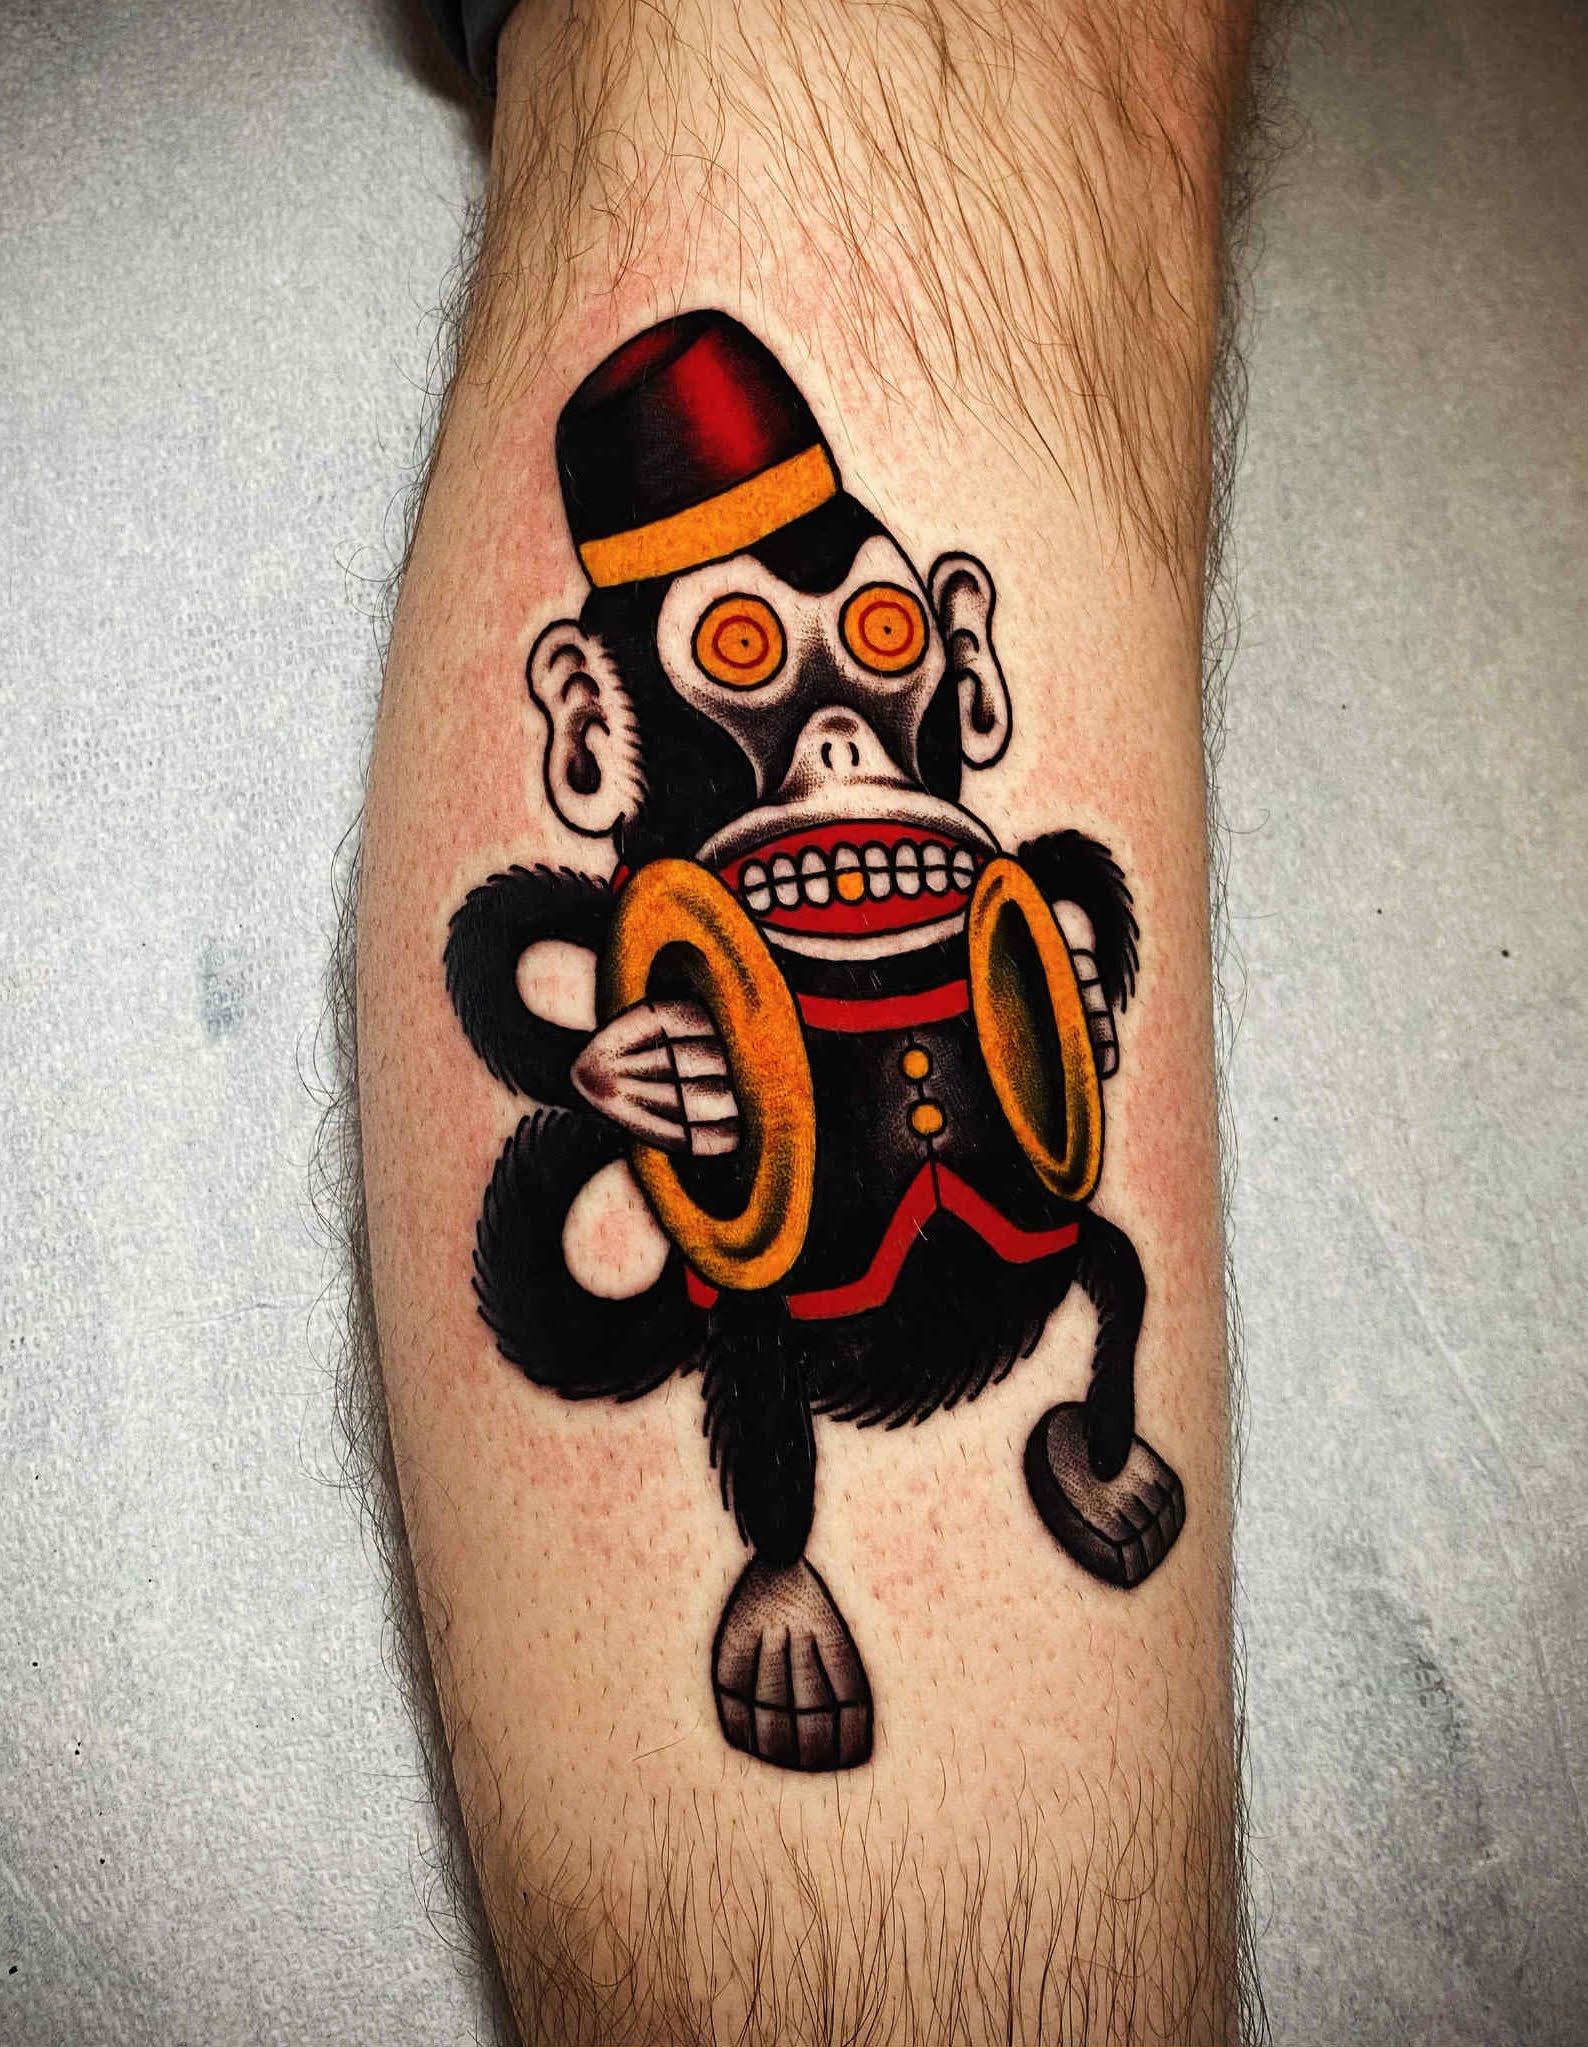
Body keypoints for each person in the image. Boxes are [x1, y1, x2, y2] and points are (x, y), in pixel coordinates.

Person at [351, 0, 1262, 2035]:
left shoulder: (968, 841)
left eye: (873, 642)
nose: (839, 726)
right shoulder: (651, 925)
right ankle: (778, 1562)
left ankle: (1087, 1434)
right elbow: (516, 964)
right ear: (597, 729)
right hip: (797, 1275)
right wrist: (611, 1073)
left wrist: (1070, 993)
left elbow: (1074, 915)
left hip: (1000, 1235)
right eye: (746, 661)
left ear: (956, 658)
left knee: (1100, 1268)